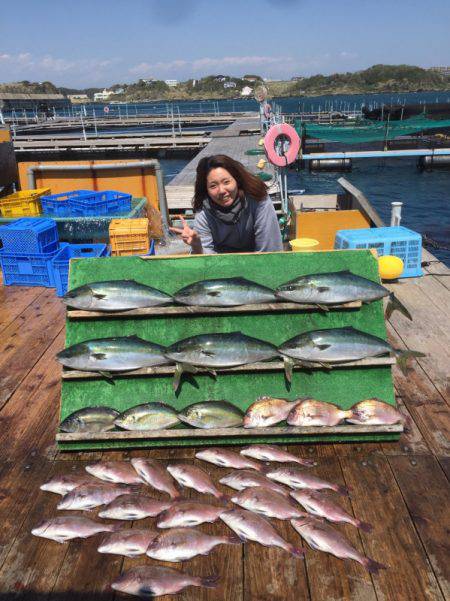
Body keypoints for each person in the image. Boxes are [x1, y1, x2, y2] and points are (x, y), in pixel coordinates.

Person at [169, 154, 283, 254]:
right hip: (221, 268)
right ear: (206, 190)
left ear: (237, 180)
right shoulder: (204, 214)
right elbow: (205, 260)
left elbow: (270, 250)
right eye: (213, 186)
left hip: (259, 263)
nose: (222, 191)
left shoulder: (258, 199)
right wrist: (197, 246)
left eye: (226, 182)